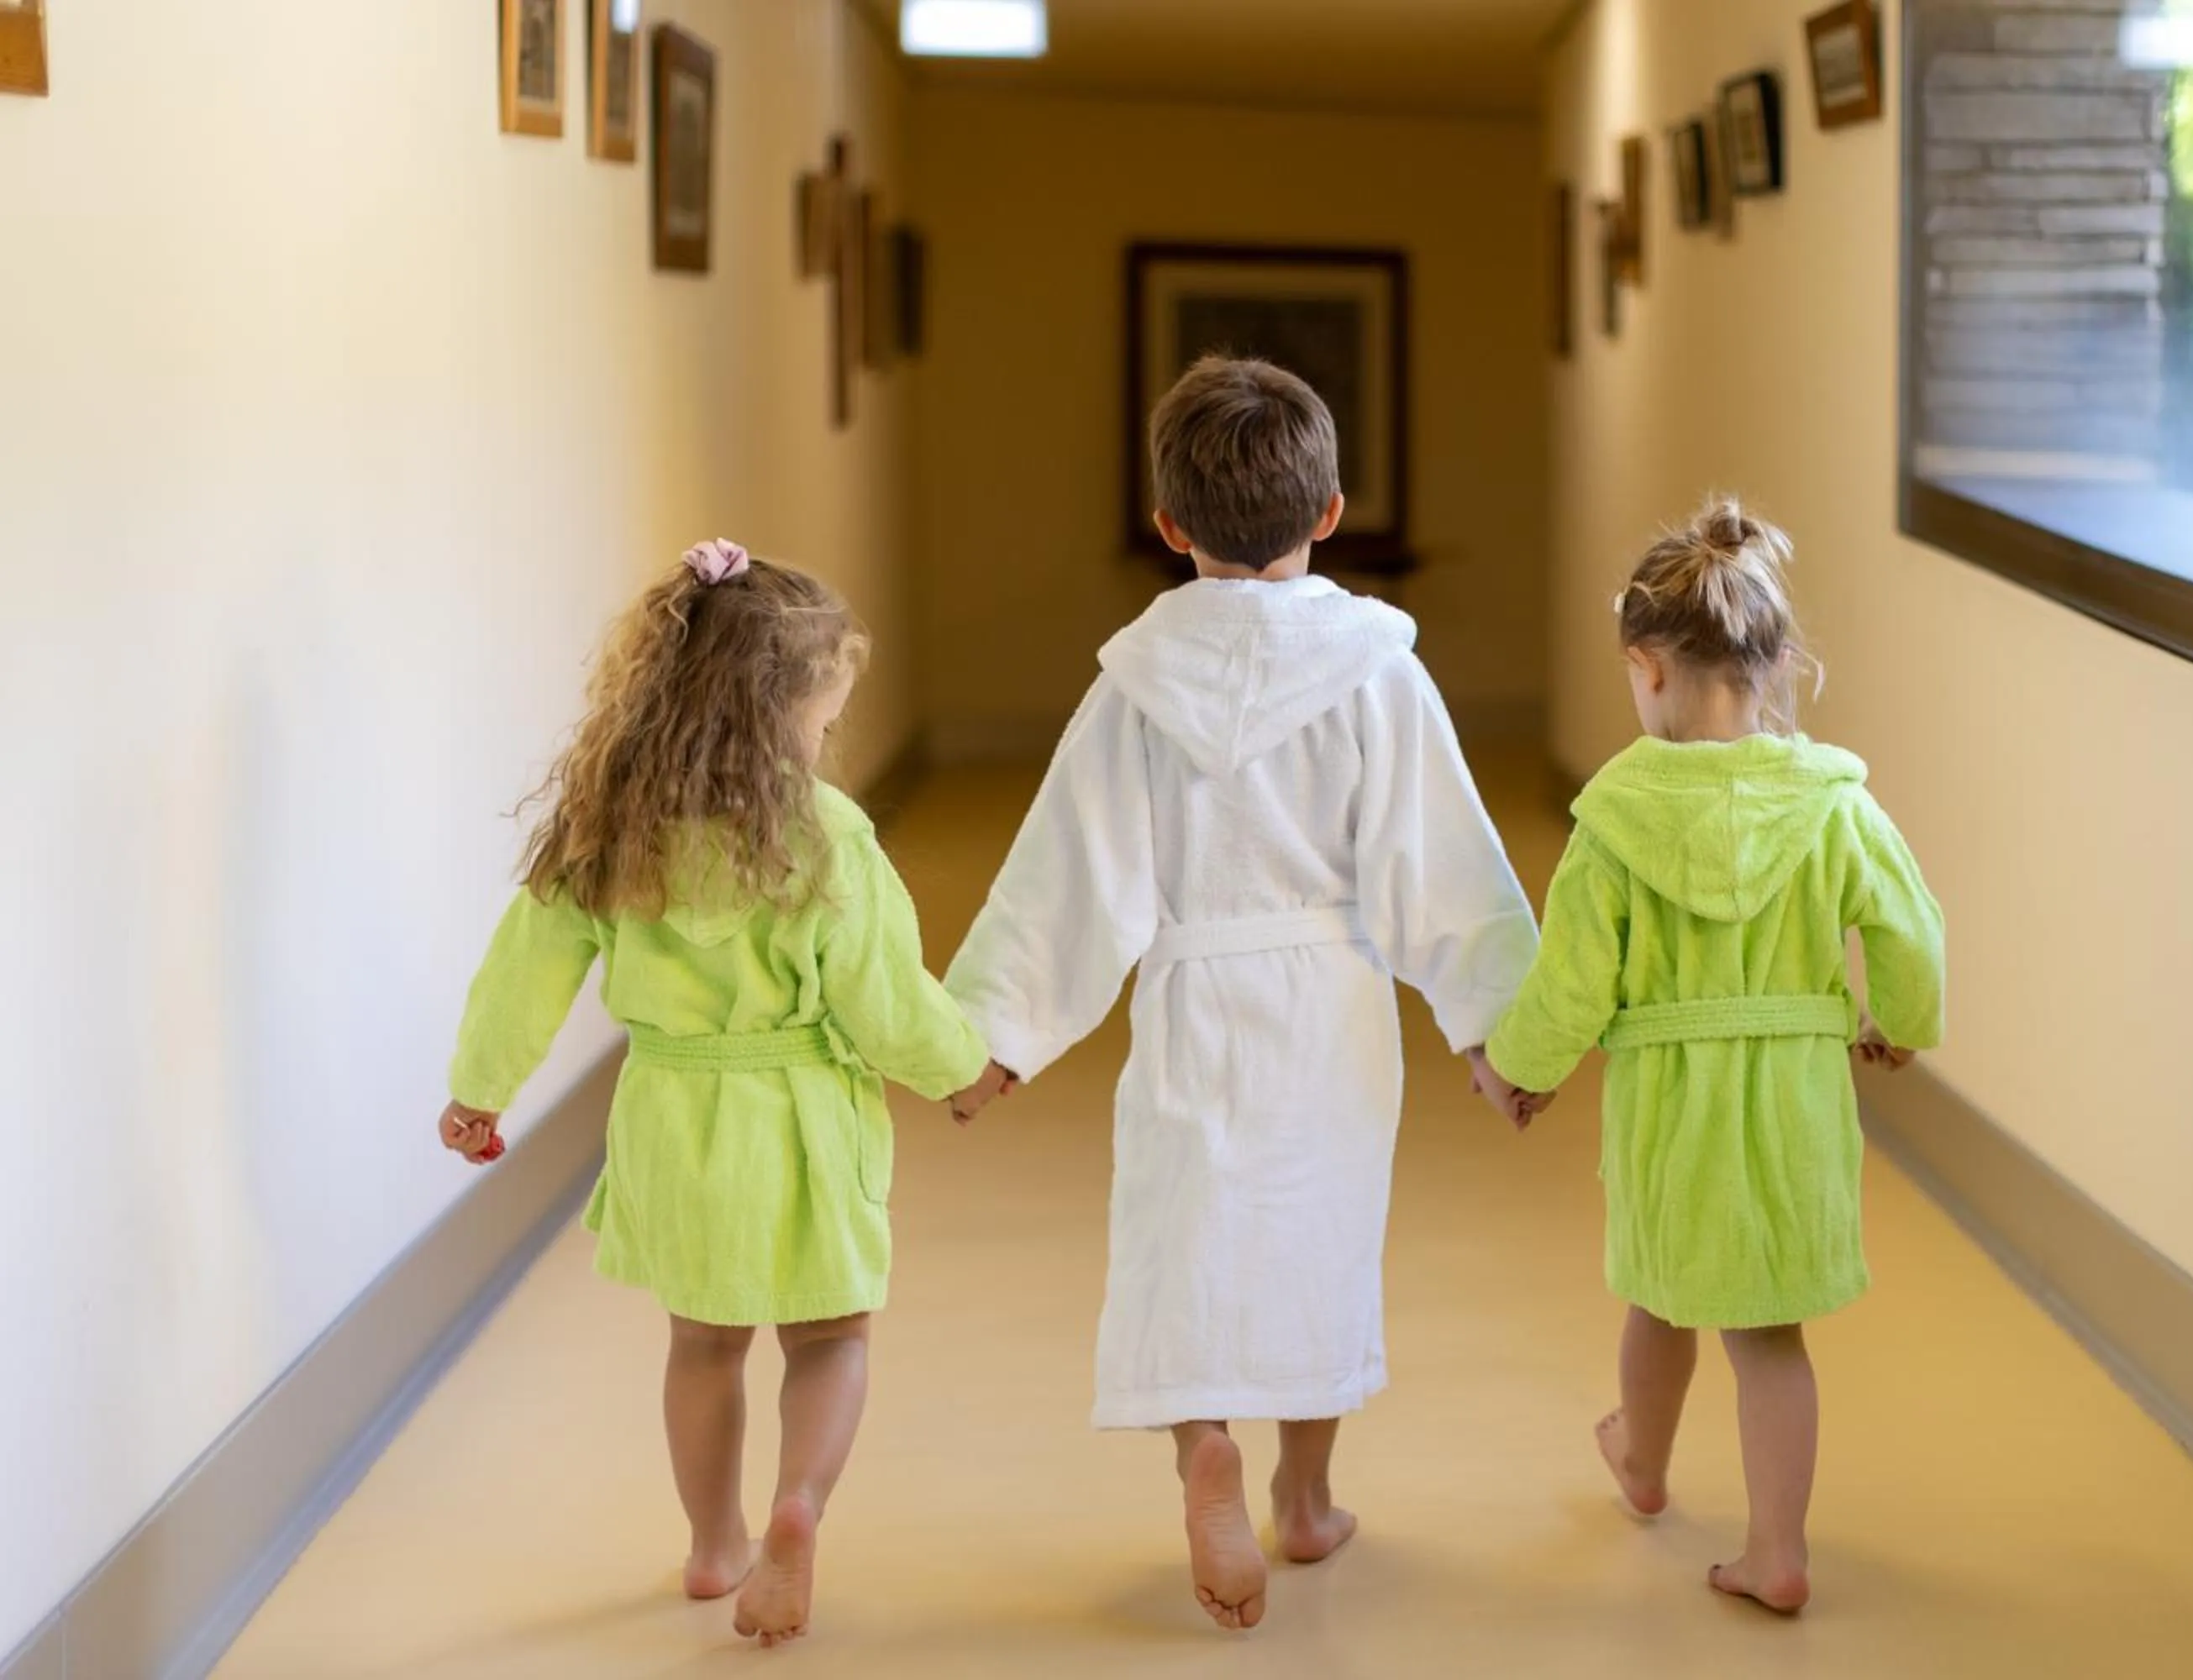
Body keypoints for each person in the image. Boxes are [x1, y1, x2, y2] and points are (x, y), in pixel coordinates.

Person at [944, 357, 1539, 1631]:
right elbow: (1443, 867)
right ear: (1332, 512)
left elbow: (1071, 874)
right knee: (1316, 1237)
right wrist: (1501, 1033)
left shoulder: (1133, 689)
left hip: (1194, 993)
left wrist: (991, 1037)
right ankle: (1305, 1499)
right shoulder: (1378, 672)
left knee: (1187, 1234)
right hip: (1331, 1004)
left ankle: (1201, 1447)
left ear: (1170, 528)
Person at [434, 540, 999, 1648]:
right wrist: (960, 1069)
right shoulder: (824, 838)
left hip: (674, 1118)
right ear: (777, 715)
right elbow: (885, 996)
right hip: (798, 1121)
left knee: (703, 1346)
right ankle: (800, 1508)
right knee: (830, 1339)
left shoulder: (606, 831)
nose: (825, 740)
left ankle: (712, 1545)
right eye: (823, 720)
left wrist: (479, 1091)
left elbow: (523, 974)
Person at [1479, 496, 1944, 1616]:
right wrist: (1897, 1021)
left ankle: (1641, 1462)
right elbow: (1912, 929)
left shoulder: (1615, 825)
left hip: (1671, 1110)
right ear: (1775, 665)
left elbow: (1572, 981)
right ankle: (1777, 1550)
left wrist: (1520, 1068)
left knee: (1663, 1293)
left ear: (1645, 669)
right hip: (1792, 1105)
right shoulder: (1832, 807)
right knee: (1768, 1331)